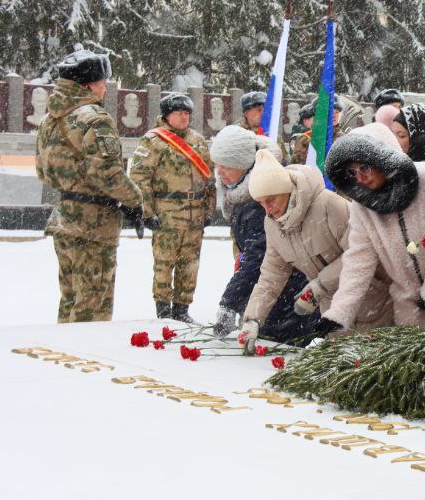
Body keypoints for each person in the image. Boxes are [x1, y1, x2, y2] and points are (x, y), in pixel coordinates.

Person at [320, 123, 425, 331]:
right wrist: (339, 314)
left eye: (365, 167)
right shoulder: (363, 208)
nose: (360, 178)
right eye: (351, 172)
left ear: (384, 159)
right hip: (410, 321)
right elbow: (358, 261)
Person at [238, 149, 391, 350]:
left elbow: (362, 253)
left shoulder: (329, 205)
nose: (267, 210)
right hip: (332, 313)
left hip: (372, 300)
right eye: (261, 204)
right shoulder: (273, 224)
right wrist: (252, 319)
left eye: (271, 200)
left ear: (286, 189)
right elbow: (271, 276)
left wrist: (320, 285)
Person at [35, 50, 144, 323]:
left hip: (64, 218)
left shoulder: (50, 119)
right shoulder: (95, 118)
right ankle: (84, 360)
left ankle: (64, 357)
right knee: (93, 307)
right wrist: (135, 200)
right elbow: (107, 173)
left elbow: (43, 171)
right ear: (87, 85)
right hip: (93, 225)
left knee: (70, 299)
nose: (105, 87)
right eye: (101, 82)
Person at [209, 125, 308, 341]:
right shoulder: (239, 190)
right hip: (266, 286)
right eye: (217, 165)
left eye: (226, 166)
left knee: (273, 346)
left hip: (287, 291)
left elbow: (258, 255)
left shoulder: (262, 197)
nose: (219, 172)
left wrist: (230, 303)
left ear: (243, 164)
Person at [127, 93, 215, 322]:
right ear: (167, 115)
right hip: (167, 212)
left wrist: (209, 210)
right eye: (179, 113)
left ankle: (182, 308)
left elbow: (209, 177)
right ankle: (163, 310)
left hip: (194, 213)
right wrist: (147, 212)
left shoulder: (197, 140)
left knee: (190, 265)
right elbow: (139, 178)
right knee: (164, 264)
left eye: (187, 113)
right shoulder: (153, 141)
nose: (184, 117)